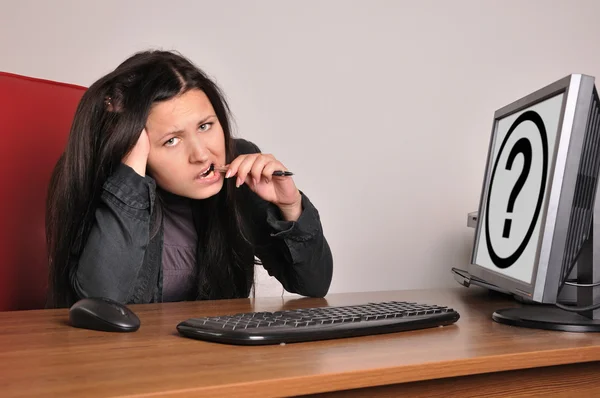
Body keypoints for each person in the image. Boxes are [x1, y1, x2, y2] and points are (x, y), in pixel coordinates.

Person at [46, 50, 333, 308]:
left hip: (212, 360)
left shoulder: (240, 169)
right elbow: (99, 303)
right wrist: (131, 170)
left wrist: (290, 206)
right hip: (124, 362)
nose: (201, 154)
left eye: (206, 126)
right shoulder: (112, 181)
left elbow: (313, 284)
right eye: (172, 140)